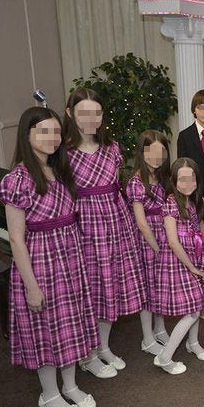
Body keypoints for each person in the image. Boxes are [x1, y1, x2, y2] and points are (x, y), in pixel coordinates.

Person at [0, 107, 99, 407]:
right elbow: (16, 238)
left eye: (56, 132)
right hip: (40, 262)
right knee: (45, 331)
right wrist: (31, 286)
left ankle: (69, 385)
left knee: (70, 325)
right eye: (43, 132)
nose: (52, 138)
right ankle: (49, 394)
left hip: (69, 259)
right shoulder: (18, 178)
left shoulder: (59, 169)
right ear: (27, 135)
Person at [64, 88, 145, 379]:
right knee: (91, 290)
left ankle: (102, 345)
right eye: (84, 112)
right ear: (70, 113)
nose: (91, 119)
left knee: (111, 287)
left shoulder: (111, 148)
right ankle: (87, 355)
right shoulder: (62, 152)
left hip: (115, 221)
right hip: (84, 226)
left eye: (96, 113)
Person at [153, 158, 204, 375]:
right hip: (179, 262)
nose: (188, 183)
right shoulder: (171, 203)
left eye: (192, 178)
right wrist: (192, 268)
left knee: (196, 306)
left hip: (197, 259)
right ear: (174, 181)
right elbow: (172, 241)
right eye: (182, 179)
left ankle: (193, 343)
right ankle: (165, 356)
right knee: (193, 311)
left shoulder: (195, 203)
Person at [125, 130, 172, 355]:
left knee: (159, 286)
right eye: (151, 151)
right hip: (147, 242)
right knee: (147, 289)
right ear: (142, 153)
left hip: (163, 235)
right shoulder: (137, 182)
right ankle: (147, 337)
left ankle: (160, 328)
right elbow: (141, 223)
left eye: (161, 151)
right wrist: (158, 248)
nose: (157, 156)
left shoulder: (162, 178)